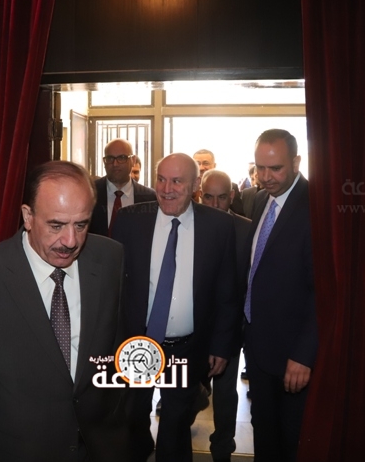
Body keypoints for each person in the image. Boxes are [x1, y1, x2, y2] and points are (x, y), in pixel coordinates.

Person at [0, 161, 128, 462]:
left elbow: (120, 351)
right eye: (56, 225)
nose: (70, 241)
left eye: (81, 225)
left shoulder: (111, 258)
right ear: (28, 216)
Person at [112, 154, 239, 462]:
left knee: (176, 423)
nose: (166, 189)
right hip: (137, 343)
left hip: (187, 348)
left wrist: (221, 345)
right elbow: (112, 284)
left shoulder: (219, 225)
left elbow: (227, 291)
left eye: (177, 181)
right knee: (132, 417)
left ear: (195, 185)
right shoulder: (130, 220)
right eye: (161, 179)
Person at [244, 129, 317, 462]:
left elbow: (322, 291)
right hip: (258, 350)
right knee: (264, 436)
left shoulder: (316, 206)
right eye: (260, 167)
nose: (265, 177)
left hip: (293, 357)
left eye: (275, 168)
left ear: (297, 162)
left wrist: (304, 354)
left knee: (292, 443)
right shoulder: (260, 200)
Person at [199, 169, 253, 462]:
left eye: (221, 197)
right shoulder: (187, 225)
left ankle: (223, 447)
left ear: (231, 196)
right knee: (187, 388)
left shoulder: (247, 229)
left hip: (230, 326)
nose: (215, 204)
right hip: (192, 326)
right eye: (209, 197)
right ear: (200, 195)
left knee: (225, 391)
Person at [90, 139, 156, 237]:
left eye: (122, 158)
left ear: (133, 160)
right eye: (110, 158)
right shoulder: (90, 192)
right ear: (104, 162)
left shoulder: (150, 198)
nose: (115, 164)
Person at [192, 149, 245, 216]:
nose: (201, 167)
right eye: (197, 164)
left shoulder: (230, 187)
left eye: (206, 163)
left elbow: (238, 217)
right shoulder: (188, 190)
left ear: (214, 165)